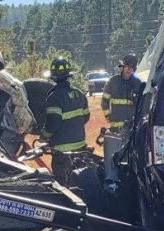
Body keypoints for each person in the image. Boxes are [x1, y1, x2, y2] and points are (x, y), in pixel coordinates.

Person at [40, 56, 90, 185]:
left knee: (64, 186)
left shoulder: (54, 97)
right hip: (80, 148)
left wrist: (44, 135)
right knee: (81, 182)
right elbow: (86, 117)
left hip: (62, 153)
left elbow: (53, 123)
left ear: (53, 76)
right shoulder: (79, 94)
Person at [101, 54, 143, 137]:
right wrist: (107, 115)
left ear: (134, 69)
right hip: (115, 127)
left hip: (131, 127)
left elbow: (142, 104)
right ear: (123, 67)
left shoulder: (138, 84)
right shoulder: (112, 81)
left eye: (131, 68)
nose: (128, 69)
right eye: (126, 67)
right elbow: (104, 100)